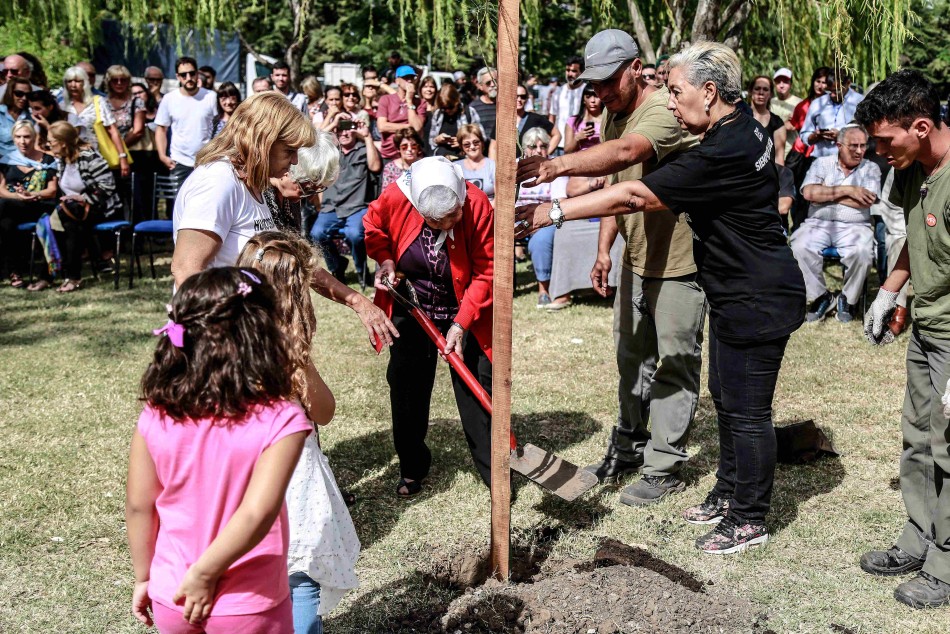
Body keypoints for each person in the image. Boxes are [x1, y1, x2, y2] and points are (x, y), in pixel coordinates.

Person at [516, 41, 806, 554]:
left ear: (710, 93)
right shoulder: (739, 131)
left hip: (757, 295)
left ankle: (749, 517)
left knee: (747, 412)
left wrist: (555, 210)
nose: (671, 103)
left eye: (677, 92)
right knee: (727, 399)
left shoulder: (725, 150)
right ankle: (726, 493)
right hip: (738, 290)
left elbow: (634, 193)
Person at [516, 29, 705, 505]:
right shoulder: (615, 116)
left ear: (635, 69)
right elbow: (616, 189)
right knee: (630, 361)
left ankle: (663, 467)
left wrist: (558, 166)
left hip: (681, 262)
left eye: (606, 82)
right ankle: (628, 447)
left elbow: (625, 156)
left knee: (675, 364)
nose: (598, 93)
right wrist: (605, 251)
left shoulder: (663, 109)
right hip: (637, 259)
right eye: (592, 84)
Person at [126, 266, 312, 632]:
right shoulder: (282, 419)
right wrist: (205, 574)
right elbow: (257, 513)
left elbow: (139, 504)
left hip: (172, 595)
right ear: (261, 334)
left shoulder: (157, 412)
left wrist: (144, 576)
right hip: (248, 603)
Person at [170, 92, 398, 348]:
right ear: (261, 140)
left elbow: (298, 263)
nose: (295, 161)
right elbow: (186, 270)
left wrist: (357, 301)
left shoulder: (253, 186)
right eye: (289, 150)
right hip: (219, 340)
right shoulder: (218, 182)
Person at [855, 69, 950, 610]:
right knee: (917, 438)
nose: (878, 151)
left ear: (921, 125)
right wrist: (890, 291)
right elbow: (918, 238)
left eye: (885, 140)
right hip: (928, 325)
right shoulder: (911, 166)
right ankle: (919, 537)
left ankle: (946, 564)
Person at [236, 233, 360, 633]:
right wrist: (302, 362)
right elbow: (324, 412)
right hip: (294, 483)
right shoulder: (289, 358)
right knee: (300, 581)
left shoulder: (222, 344)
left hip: (237, 482)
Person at [364, 156, 494, 496]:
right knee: (406, 386)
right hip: (414, 304)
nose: (448, 224)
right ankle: (411, 466)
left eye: (454, 216)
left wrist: (461, 324)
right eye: (437, 221)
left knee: (477, 388)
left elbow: (486, 269)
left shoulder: (478, 203)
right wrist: (386, 259)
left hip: (464, 307)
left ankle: (494, 471)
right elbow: (373, 226)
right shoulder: (396, 196)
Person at [791, 124, 880, 323]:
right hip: (818, 223)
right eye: (853, 146)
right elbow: (808, 193)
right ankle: (822, 297)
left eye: (863, 146)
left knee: (862, 253)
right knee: (799, 246)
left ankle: (847, 299)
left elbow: (868, 200)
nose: (859, 151)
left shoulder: (870, 168)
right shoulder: (821, 163)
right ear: (839, 145)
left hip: (856, 226)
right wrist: (850, 191)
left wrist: (826, 193)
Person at [47, 121, 123, 293]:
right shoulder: (61, 159)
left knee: (72, 224)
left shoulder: (89, 156)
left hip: (101, 207)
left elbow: (108, 187)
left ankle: (70, 275)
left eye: (51, 141)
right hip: (73, 209)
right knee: (60, 221)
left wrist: (82, 198)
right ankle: (64, 273)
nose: (48, 145)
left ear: (63, 142)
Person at [310, 114, 381, 283]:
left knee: (354, 234)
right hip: (331, 207)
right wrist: (333, 123)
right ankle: (337, 266)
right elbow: (312, 143)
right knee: (316, 233)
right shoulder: (330, 152)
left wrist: (367, 136)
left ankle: (361, 270)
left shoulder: (364, 150)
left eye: (349, 128)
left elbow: (375, 167)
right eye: (340, 129)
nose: (344, 133)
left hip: (357, 206)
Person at [0, 120, 57, 289]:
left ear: (34, 138)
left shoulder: (47, 160)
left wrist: (32, 194)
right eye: (18, 137)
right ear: (13, 138)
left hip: (39, 206)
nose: (22, 141)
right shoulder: (7, 160)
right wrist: (19, 197)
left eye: (27, 137)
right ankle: (14, 272)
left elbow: (52, 190)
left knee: (3, 207)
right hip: (13, 207)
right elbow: (1, 190)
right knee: (5, 223)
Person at [518, 127, 570, 309]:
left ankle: (543, 289)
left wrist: (539, 218)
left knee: (540, 240)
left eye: (543, 146)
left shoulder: (555, 169)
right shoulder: (515, 167)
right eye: (533, 146)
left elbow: (560, 202)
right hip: (516, 217)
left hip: (546, 217)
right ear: (525, 148)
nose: (539, 150)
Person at [155, 56, 218, 187]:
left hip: (206, 161)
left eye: (192, 73)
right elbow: (161, 129)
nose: (188, 78)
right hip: (179, 161)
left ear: (197, 74)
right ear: (178, 77)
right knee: (179, 203)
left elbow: (220, 126)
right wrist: (162, 156)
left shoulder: (211, 97)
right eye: (184, 75)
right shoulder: (169, 99)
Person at [61, 67, 128, 180]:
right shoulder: (62, 105)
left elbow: (113, 131)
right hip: (70, 160)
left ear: (85, 83)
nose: (73, 85)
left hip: (96, 159)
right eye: (69, 81)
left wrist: (122, 157)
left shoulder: (98, 102)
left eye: (77, 81)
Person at [801, 69, 864, 158]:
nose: (832, 95)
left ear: (848, 83)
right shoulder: (817, 103)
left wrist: (842, 136)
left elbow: (868, 136)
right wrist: (816, 136)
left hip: (850, 162)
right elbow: (804, 134)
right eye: (829, 91)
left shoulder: (860, 102)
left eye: (837, 91)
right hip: (820, 160)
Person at [488, 82, 557, 159]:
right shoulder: (502, 121)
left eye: (523, 96)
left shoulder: (536, 118)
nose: (519, 99)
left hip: (529, 166)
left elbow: (557, 135)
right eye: (516, 96)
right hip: (507, 166)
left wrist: (544, 153)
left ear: (527, 99)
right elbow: (493, 147)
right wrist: (493, 168)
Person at [376, 66, 425, 163]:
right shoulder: (386, 99)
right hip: (390, 154)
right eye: (406, 78)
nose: (410, 81)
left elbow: (417, 127)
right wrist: (408, 126)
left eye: (412, 78)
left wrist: (409, 101)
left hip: (412, 154)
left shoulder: (420, 102)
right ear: (397, 81)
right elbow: (382, 126)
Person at [422, 83, 483, 160]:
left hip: (463, 159)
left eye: (450, 107)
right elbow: (431, 141)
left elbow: (481, 138)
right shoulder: (438, 114)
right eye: (444, 108)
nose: (447, 111)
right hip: (442, 159)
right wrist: (437, 140)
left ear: (456, 101)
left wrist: (463, 143)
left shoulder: (469, 112)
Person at [549, 56, 586, 154]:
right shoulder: (558, 92)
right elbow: (552, 118)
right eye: (567, 70)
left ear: (581, 72)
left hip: (581, 145)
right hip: (559, 145)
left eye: (574, 71)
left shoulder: (587, 91)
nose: (569, 74)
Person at [748, 75, 787, 165]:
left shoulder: (777, 123)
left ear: (771, 94)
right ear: (750, 91)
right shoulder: (739, 116)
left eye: (765, 89)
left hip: (766, 175)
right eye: (757, 88)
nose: (761, 92)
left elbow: (779, 159)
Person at [457, 124, 495, 202]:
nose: (472, 147)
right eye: (467, 144)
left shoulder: (493, 165)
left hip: (490, 210)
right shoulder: (456, 167)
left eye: (476, 142)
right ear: (461, 146)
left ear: (482, 143)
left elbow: (500, 196)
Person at [563, 85, 603, 153]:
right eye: (588, 97)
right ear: (583, 100)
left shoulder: (608, 121)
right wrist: (577, 138)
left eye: (596, 96)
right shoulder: (573, 121)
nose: (593, 100)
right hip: (579, 161)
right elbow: (567, 151)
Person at [0, 76, 32, 158]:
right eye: (19, 94)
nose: (24, 98)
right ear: (10, 93)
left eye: (28, 95)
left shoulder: (32, 116)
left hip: (26, 161)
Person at [469, 67, 498, 139]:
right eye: (488, 82)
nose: (492, 85)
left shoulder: (507, 105)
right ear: (480, 86)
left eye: (495, 81)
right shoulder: (473, 108)